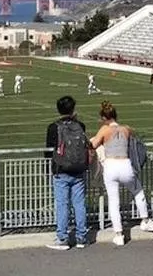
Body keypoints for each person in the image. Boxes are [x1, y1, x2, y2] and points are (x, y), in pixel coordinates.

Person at [90, 101, 153, 246]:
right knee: (138, 191)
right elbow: (134, 139)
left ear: (104, 118)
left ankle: (119, 234)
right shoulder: (126, 129)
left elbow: (94, 144)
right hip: (125, 165)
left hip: (110, 166)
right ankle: (145, 220)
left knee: (113, 201)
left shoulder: (104, 130)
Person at [45, 95, 89, 250]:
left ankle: (62, 237)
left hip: (61, 170)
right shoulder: (80, 126)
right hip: (78, 170)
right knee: (79, 204)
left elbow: (48, 151)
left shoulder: (54, 127)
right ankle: (81, 237)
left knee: (62, 204)